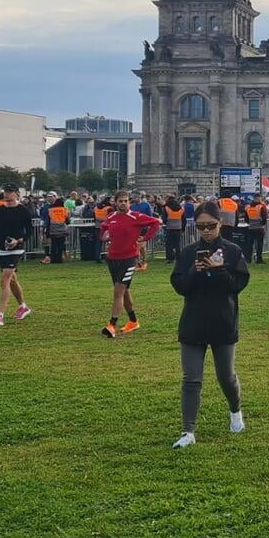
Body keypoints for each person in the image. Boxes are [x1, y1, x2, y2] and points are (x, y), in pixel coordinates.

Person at [169, 201, 251, 449]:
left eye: (211, 226)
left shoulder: (233, 251)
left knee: (226, 376)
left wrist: (219, 270)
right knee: (191, 379)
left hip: (223, 321)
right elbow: (180, 286)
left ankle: (235, 411)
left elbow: (237, 285)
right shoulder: (187, 253)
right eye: (201, 226)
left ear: (220, 224)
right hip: (193, 321)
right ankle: (188, 431)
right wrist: (195, 271)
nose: (206, 231)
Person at [99, 191, 163, 337]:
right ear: (115, 202)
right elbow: (103, 228)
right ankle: (133, 321)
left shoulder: (135, 216)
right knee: (124, 291)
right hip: (112, 258)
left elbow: (156, 223)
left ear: (129, 202)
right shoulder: (111, 217)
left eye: (126, 201)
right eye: (120, 201)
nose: (123, 203)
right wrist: (104, 236)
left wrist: (145, 238)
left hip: (129, 259)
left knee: (118, 291)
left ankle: (112, 324)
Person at [0, 184, 35, 327]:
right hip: (1, 248)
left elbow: (30, 231)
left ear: (17, 194)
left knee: (4, 280)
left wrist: (18, 240)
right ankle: (23, 306)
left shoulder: (23, 211)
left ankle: (0, 315)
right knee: (12, 280)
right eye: (5, 192)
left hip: (16, 248)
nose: (7, 194)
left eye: (10, 192)